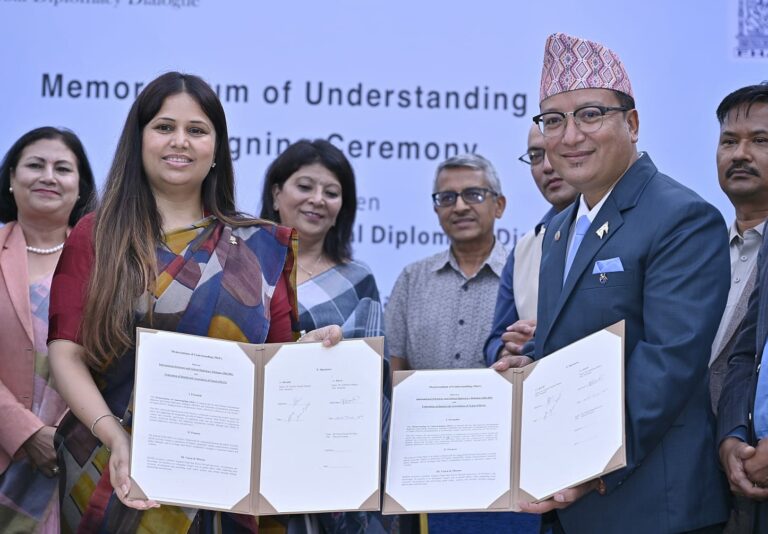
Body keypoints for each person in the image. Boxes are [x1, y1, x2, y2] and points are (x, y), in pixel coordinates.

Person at [47, 72, 340, 533]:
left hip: (222, 480)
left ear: (217, 149)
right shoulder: (97, 235)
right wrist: (116, 437)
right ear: (139, 140)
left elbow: (277, 366)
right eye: (164, 127)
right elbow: (66, 352)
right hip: (109, 469)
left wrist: (312, 352)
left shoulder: (260, 247)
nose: (180, 141)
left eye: (197, 130)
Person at [494, 33, 730, 533]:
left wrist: (591, 465)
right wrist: (529, 367)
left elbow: (669, 360)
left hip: (650, 505)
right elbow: (573, 346)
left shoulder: (681, 218)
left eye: (590, 115)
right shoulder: (559, 229)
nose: (570, 136)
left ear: (633, 123)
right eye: (553, 120)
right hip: (570, 502)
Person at [387, 154, 539, 533]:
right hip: (426, 468)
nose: (459, 206)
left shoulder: (527, 275)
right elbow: (394, 371)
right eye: (446, 198)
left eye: (473, 194)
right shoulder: (412, 279)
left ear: (499, 205)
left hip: (508, 467)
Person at [260, 139, 399, 534]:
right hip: (254, 455)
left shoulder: (358, 280)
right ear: (276, 194)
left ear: (342, 209)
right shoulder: (243, 268)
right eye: (305, 186)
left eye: (332, 192)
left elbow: (372, 386)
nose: (318, 200)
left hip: (329, 461)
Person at [0, 126, 96, 532]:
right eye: (35, 165)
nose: (48, 177)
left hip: (84, 461)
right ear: (11, 177)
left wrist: (69, 434)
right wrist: (25, 432)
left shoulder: (108, 263)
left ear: (80, 186)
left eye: (63, 168)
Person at [717, 83, 768, 533]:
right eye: (729, 141)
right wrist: (729, 435)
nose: (740, 154)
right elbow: (739, 358)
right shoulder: (697, 250)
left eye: (761, 140)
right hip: (706, 493)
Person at [484, 125, 578, 365]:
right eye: (536, 156)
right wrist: (509, 350)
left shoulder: (621, 228)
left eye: (557, 149)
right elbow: (496, 339)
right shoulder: (524, 250)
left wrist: (544, 339)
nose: (547, 166)